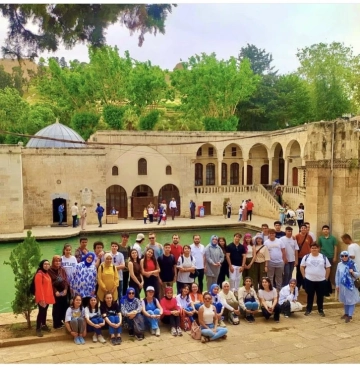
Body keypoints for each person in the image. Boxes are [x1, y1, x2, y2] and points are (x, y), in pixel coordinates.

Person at [300, 243, 331, 317]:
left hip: (321, 281)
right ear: (310, 249)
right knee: (310, 295)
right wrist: (304, 276)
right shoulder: (306, 257)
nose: (314, 249)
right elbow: (302, 266)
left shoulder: (323, 257)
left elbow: (328, 267)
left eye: (315, 248)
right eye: (312, 248)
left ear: (318, 249)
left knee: (320, 296)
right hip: (309, 280)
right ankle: (308, 309)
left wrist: (326, 278)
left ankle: (320, 310)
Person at [335, 251, 360, 323]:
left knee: (351, 300)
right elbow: (337, 275)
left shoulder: (353, 264)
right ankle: (346, 314)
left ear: (348, 256)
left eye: (346, 256)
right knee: (345, 300)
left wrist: (352, 272)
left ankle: (350, 315)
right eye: (342, 256)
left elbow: (358, 275)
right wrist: (337, 285)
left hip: (351, 286)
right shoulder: (339, 264)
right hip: (342, 286)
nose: (344, 257)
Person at [34, 259, 55, 337]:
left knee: (45, 312)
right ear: (42, 265)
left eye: (48, 264)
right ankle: (38, 328)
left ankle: (43, 325)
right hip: (42, 298)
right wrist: (41, 299)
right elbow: (39, 288)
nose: (46, 265)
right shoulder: (39, 274)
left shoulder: (46, 273)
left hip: (47, 297)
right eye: (45, 264)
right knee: (41, 312)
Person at [48, 255, 69, 329]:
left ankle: (62, 321)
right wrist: (55, 291)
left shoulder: (62, 269)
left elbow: (66, 280)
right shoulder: (49, 270)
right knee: (57, 307)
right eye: (56, 261)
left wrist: (66, 289)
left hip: (63, 291)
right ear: (53, 262)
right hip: (55, 292)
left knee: (64, 306)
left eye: (59, 261)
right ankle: (56, 324)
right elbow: (50, 283)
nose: (58, 262)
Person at [318, 225, 338, 296]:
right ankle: (326, 289)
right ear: (322, 230)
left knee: (329, 273)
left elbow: (335, 247)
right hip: (323, 257)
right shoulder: (320, 238)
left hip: (330, 257)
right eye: (324, 229)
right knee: (324, 273)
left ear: (329, 230)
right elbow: (319, 247)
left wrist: (335, 257)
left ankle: (328, 289)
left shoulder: (333, 238)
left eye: (327, 229)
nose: (325, 230)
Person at [295, 225, 313, 290]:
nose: (303, 229)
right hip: (300, 256)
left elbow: (311, 246)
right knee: (299, 271)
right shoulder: (296, 236)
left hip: (307, 257)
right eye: (302, 228)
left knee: (306, 271)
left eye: (305, 228)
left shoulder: (309, 237)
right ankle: (298, 284)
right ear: (300, 229)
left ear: (306, 229)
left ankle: (305, 284)